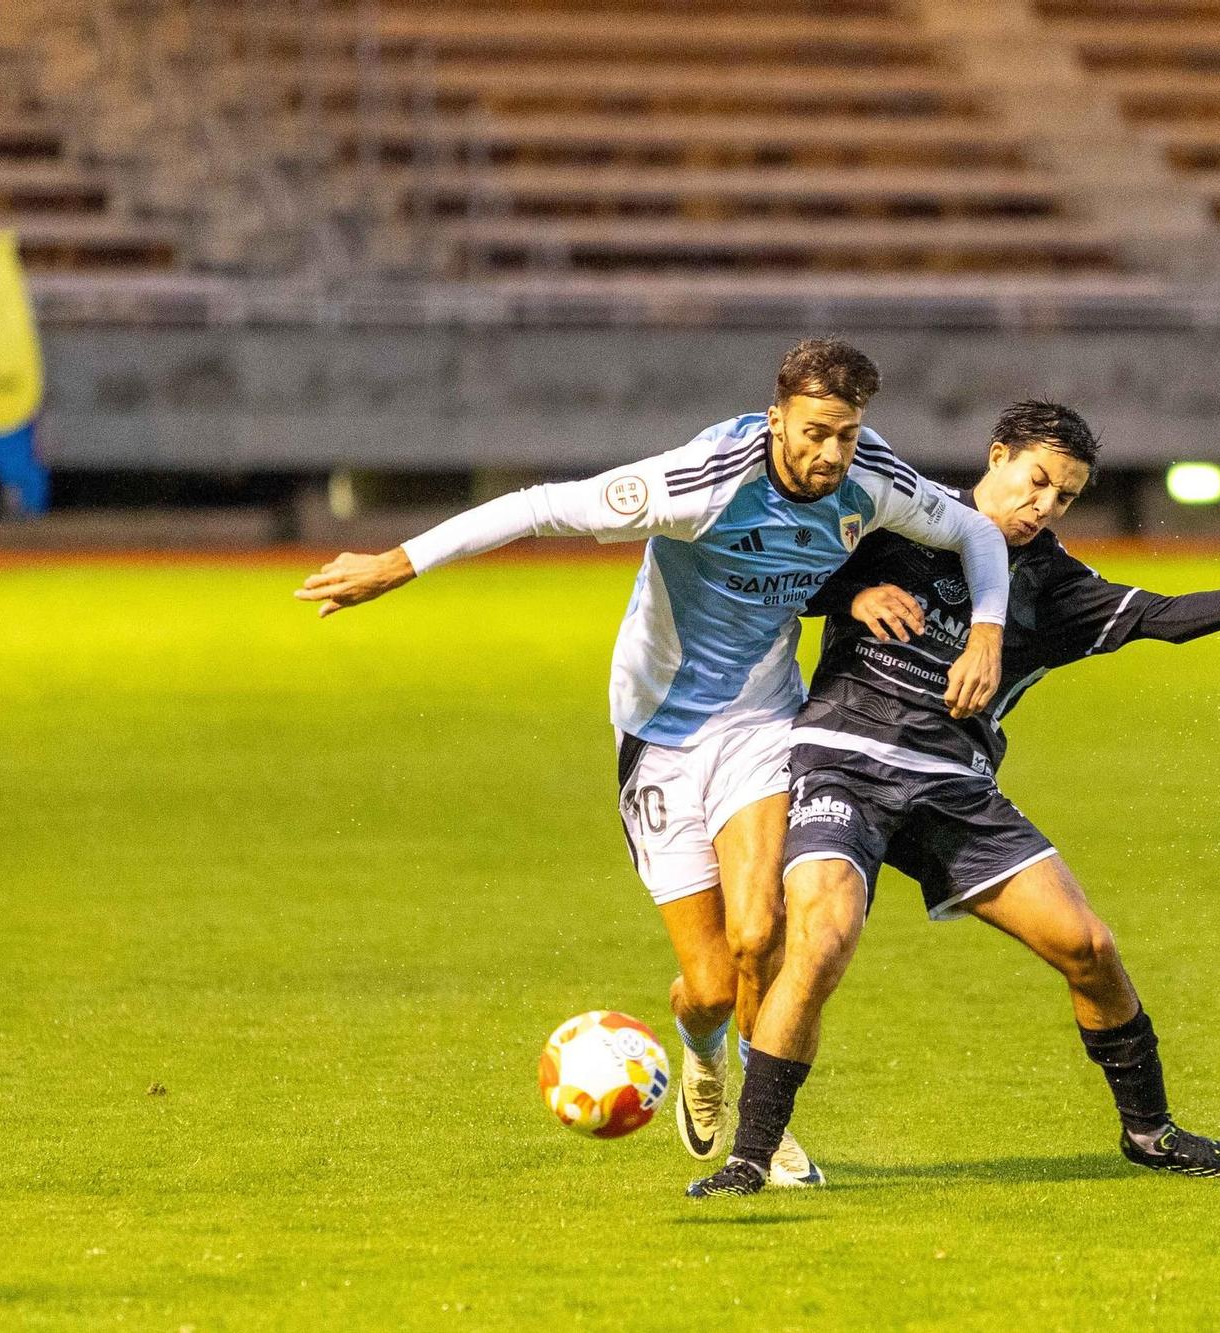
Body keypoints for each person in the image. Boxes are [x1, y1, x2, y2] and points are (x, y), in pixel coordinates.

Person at [294, 340, 1011, 1187]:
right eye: (816, 431)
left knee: (762, 934)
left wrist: (988, 632)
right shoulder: (703, 479)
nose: (831, 454)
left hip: (762, 721)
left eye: (848, 434)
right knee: (707, 983)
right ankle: (701, 1056)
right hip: (662, 734)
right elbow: (538, 506)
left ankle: (762, 1125)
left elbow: (973, 529)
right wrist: (395, 562)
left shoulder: (872, 476)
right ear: (777, 415)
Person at [688, 401, 1220, 1197]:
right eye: (1037, 480)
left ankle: (1149, 1132)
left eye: (1067, 496)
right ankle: (749, 1156)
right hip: (845, 763)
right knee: (822, 936)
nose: (1043, 505)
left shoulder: (1052, 583)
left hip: (954, 789)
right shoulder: (903, 515)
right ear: (998, 456)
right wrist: (849, 597)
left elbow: (1164, 618)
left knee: (1090, 946)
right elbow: (784, 572)